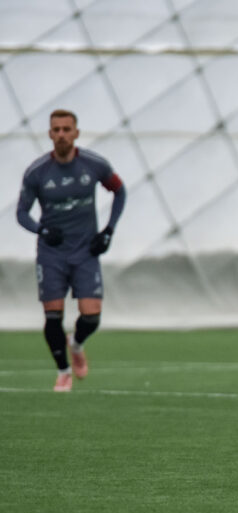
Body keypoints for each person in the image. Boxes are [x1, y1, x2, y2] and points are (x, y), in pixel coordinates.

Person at [16, 109, 127, 392]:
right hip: (52, 253)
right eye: (57, 129)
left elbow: (119, 191)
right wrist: (41, 230)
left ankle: (76, 344)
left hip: (85, 251)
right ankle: (63, 372)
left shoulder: (93, 165)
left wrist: (109, 231)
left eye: (67, 129)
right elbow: (22, 214)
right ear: (50, 134)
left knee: (91, 315)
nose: (62, 134)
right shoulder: (37, 172)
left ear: (76, 133)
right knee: (53, 314)